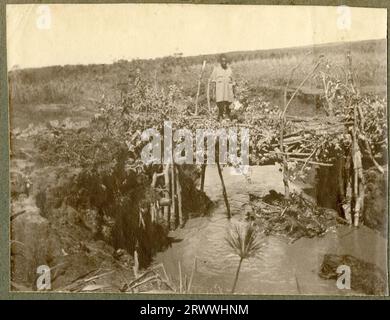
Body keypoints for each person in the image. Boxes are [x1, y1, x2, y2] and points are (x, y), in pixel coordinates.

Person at [209, 54, 236, 120]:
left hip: (228, 92)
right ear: (220, 61)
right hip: (220, 93)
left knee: (228, 106)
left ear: (227, 61)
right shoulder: (216, 70)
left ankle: (228, 118)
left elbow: (233, 83)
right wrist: (213, 93)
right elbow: (213, 82)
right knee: (220, 106)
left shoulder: (229, 70)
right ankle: (220, 117)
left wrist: (234, 93)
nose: (224, 62)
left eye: (225, 61)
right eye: (222, 61)